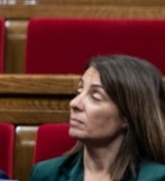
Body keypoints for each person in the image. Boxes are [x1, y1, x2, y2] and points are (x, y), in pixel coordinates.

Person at [30, 55, 165, 181]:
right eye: (79, 92)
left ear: (127, 117)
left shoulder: (156, 177)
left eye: (95, 97)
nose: (74, 103)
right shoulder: (46, 174)